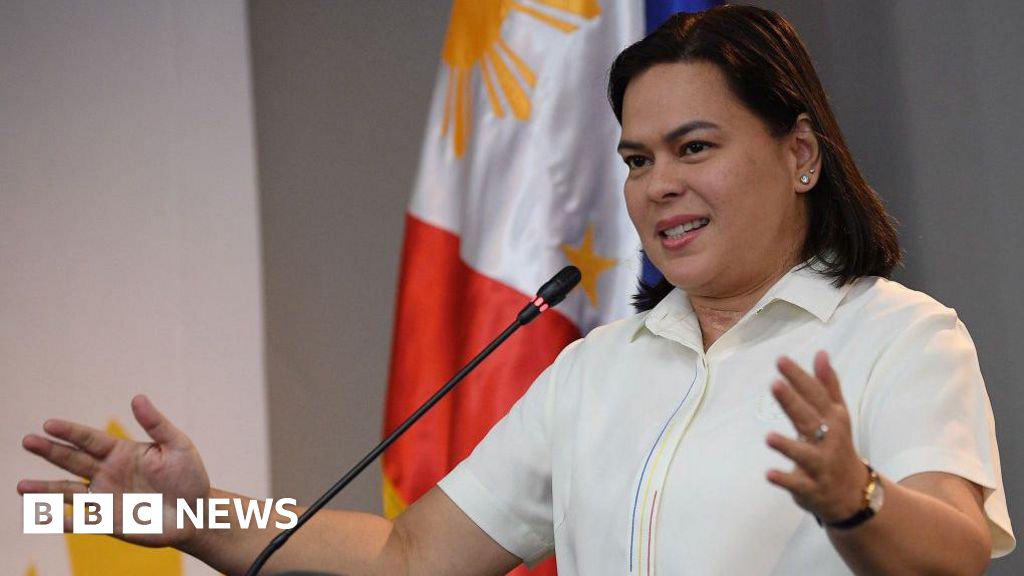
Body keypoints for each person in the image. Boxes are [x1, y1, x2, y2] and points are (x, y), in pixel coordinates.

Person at [18, 5, 1014, 575]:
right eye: (636, 159)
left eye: (694, 148)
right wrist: (200, 515)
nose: (657, 185)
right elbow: (409, 552)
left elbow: (959, 549)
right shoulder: (594, 372)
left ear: (799, 155)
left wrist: (855, 498)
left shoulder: (900, 337)